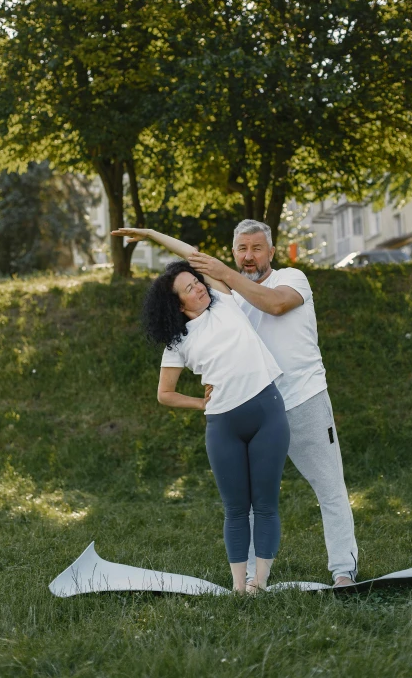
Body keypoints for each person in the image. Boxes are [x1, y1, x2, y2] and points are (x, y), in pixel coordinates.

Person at [111, 227, 290, 594]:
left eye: (197, 282)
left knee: (266, 503)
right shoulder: (178, 343)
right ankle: (239, 586)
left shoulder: (225, 298)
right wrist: (200, 403)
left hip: (267, 411)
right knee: (236, 509)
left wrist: (151, 234)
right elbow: (165, 393)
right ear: (178, 305)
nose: (198, 287)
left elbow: (194, 253)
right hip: (223, 424)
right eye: (189, 288)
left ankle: (260, 582)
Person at [187, 219, 358, 588]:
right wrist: (152, 236)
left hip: (304, 399)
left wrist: (225, 274)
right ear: (233, 252)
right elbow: (193, 266)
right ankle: (250, 578)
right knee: (248, 501)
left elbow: (276, 306)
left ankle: (344, 570)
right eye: (242, 250)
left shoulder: (291, 279)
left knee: (330, 487)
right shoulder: (227, 300)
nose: (249, 257)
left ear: (271, 252)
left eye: (257, 248)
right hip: (258, 407)